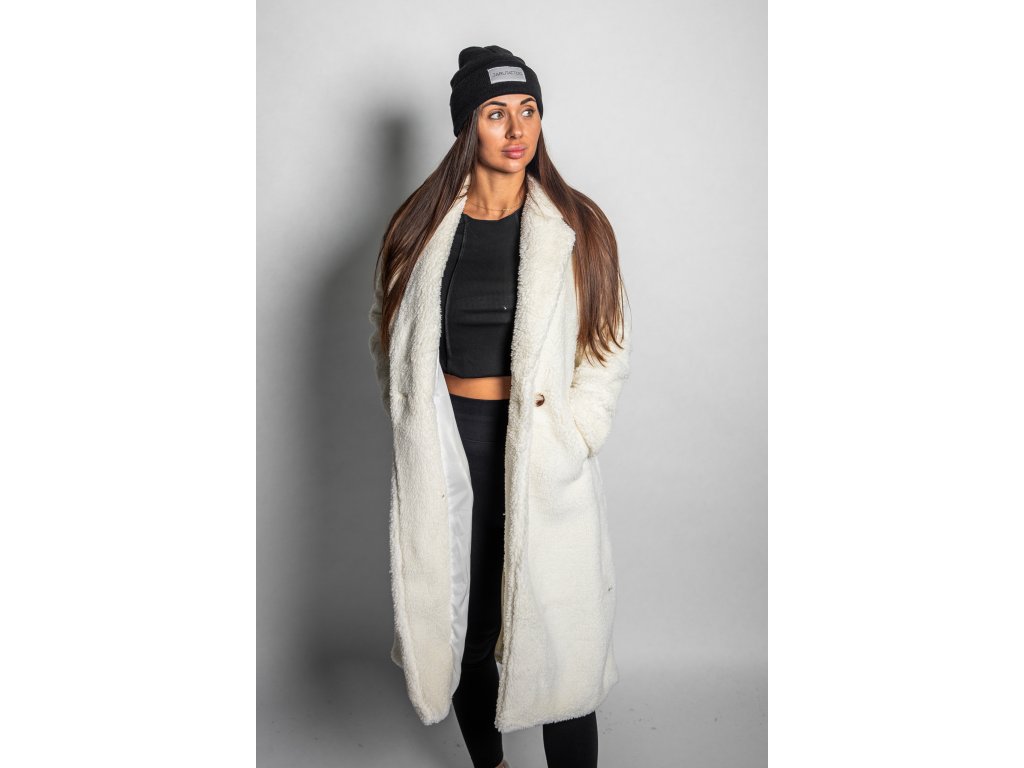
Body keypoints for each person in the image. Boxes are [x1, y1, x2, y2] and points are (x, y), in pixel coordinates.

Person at [368, 45, 631, 768]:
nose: (517, 129)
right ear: (467, 127)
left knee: (562, 642)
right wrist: (409, 413)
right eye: (495, 113)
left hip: (542, 455)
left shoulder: (577, 227)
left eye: (528, 110)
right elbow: (388, 331)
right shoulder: (419, 228)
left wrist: (577, 434)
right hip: (451, 451)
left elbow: (607, 345)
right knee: (466, 632)